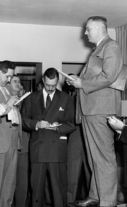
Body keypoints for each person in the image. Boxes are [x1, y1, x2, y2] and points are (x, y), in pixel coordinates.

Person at [66, 16, 123, 207]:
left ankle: (107, 202)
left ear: (99, 28)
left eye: (88, 29)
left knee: (104, 157)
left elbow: (109, 76)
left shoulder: (111, 47)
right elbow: (96, 76)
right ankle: (96, 195)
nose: (85, 32)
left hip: (101, 109)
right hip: (91, 109)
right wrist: (77, 80)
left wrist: (82, 83)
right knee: (93, 156)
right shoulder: (99, 49)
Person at [21, 67, 75, 207]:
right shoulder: (31, 98)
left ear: (57, 82)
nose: (51, 88)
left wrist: (58, 127)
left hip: (57, 149)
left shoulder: (66, 98)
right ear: (43, 81)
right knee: (36, 191)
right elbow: (24, 120)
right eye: (47, 84)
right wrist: (36, 124)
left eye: (54, 85)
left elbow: (72, 123)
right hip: (38, 149)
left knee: (59, 191)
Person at [64, 76, 90, 204]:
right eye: (67, 81)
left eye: (71, 80)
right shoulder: (66, 98)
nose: (69, 83)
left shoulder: (87, 92)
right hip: (74, 136)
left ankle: (92, 199)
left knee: (90, 170)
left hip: (88, 134)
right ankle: (69, 201)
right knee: (72, 172)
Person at [0, 60, 21, 207]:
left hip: (12, 143)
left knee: (9, 184)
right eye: (7, 76)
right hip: (1, 143)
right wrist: (7, 105)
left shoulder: (6, 89)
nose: (9, 80)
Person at [8, 79, 30, 207]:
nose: (19, 85)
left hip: (23, 146)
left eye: (20, 83)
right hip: (6, 146)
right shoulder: (3, 99)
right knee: (7, 182)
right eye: (15, 81)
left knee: (22, 182)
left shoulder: (26, 101)